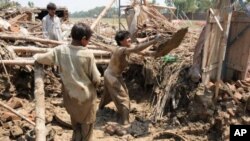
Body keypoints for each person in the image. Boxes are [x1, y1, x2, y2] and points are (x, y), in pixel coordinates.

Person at [33, 23, 101, 141]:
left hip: (70, 97)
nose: (88, 42)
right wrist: (96, 86)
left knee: (76, 124)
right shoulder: (88, 54)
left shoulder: (60, 50)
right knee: (87, 128)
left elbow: (42, 58)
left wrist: (36, 56)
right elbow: (96, 78)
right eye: (88, 40)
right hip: (86, 98)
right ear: (84, 39)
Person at [99, 30, 161, 125]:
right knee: (123, 98)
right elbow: (137, 48)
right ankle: (125, 121)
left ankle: (100, 109)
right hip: (111, 76)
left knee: (107, 94)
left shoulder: (127, 48)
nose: (129, 39)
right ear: (121, 41)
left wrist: (157, 53)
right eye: (126, 38)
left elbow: (142, 52)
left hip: (114, 75)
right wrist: (153, 41)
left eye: (129, 37)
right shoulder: (121, 49)